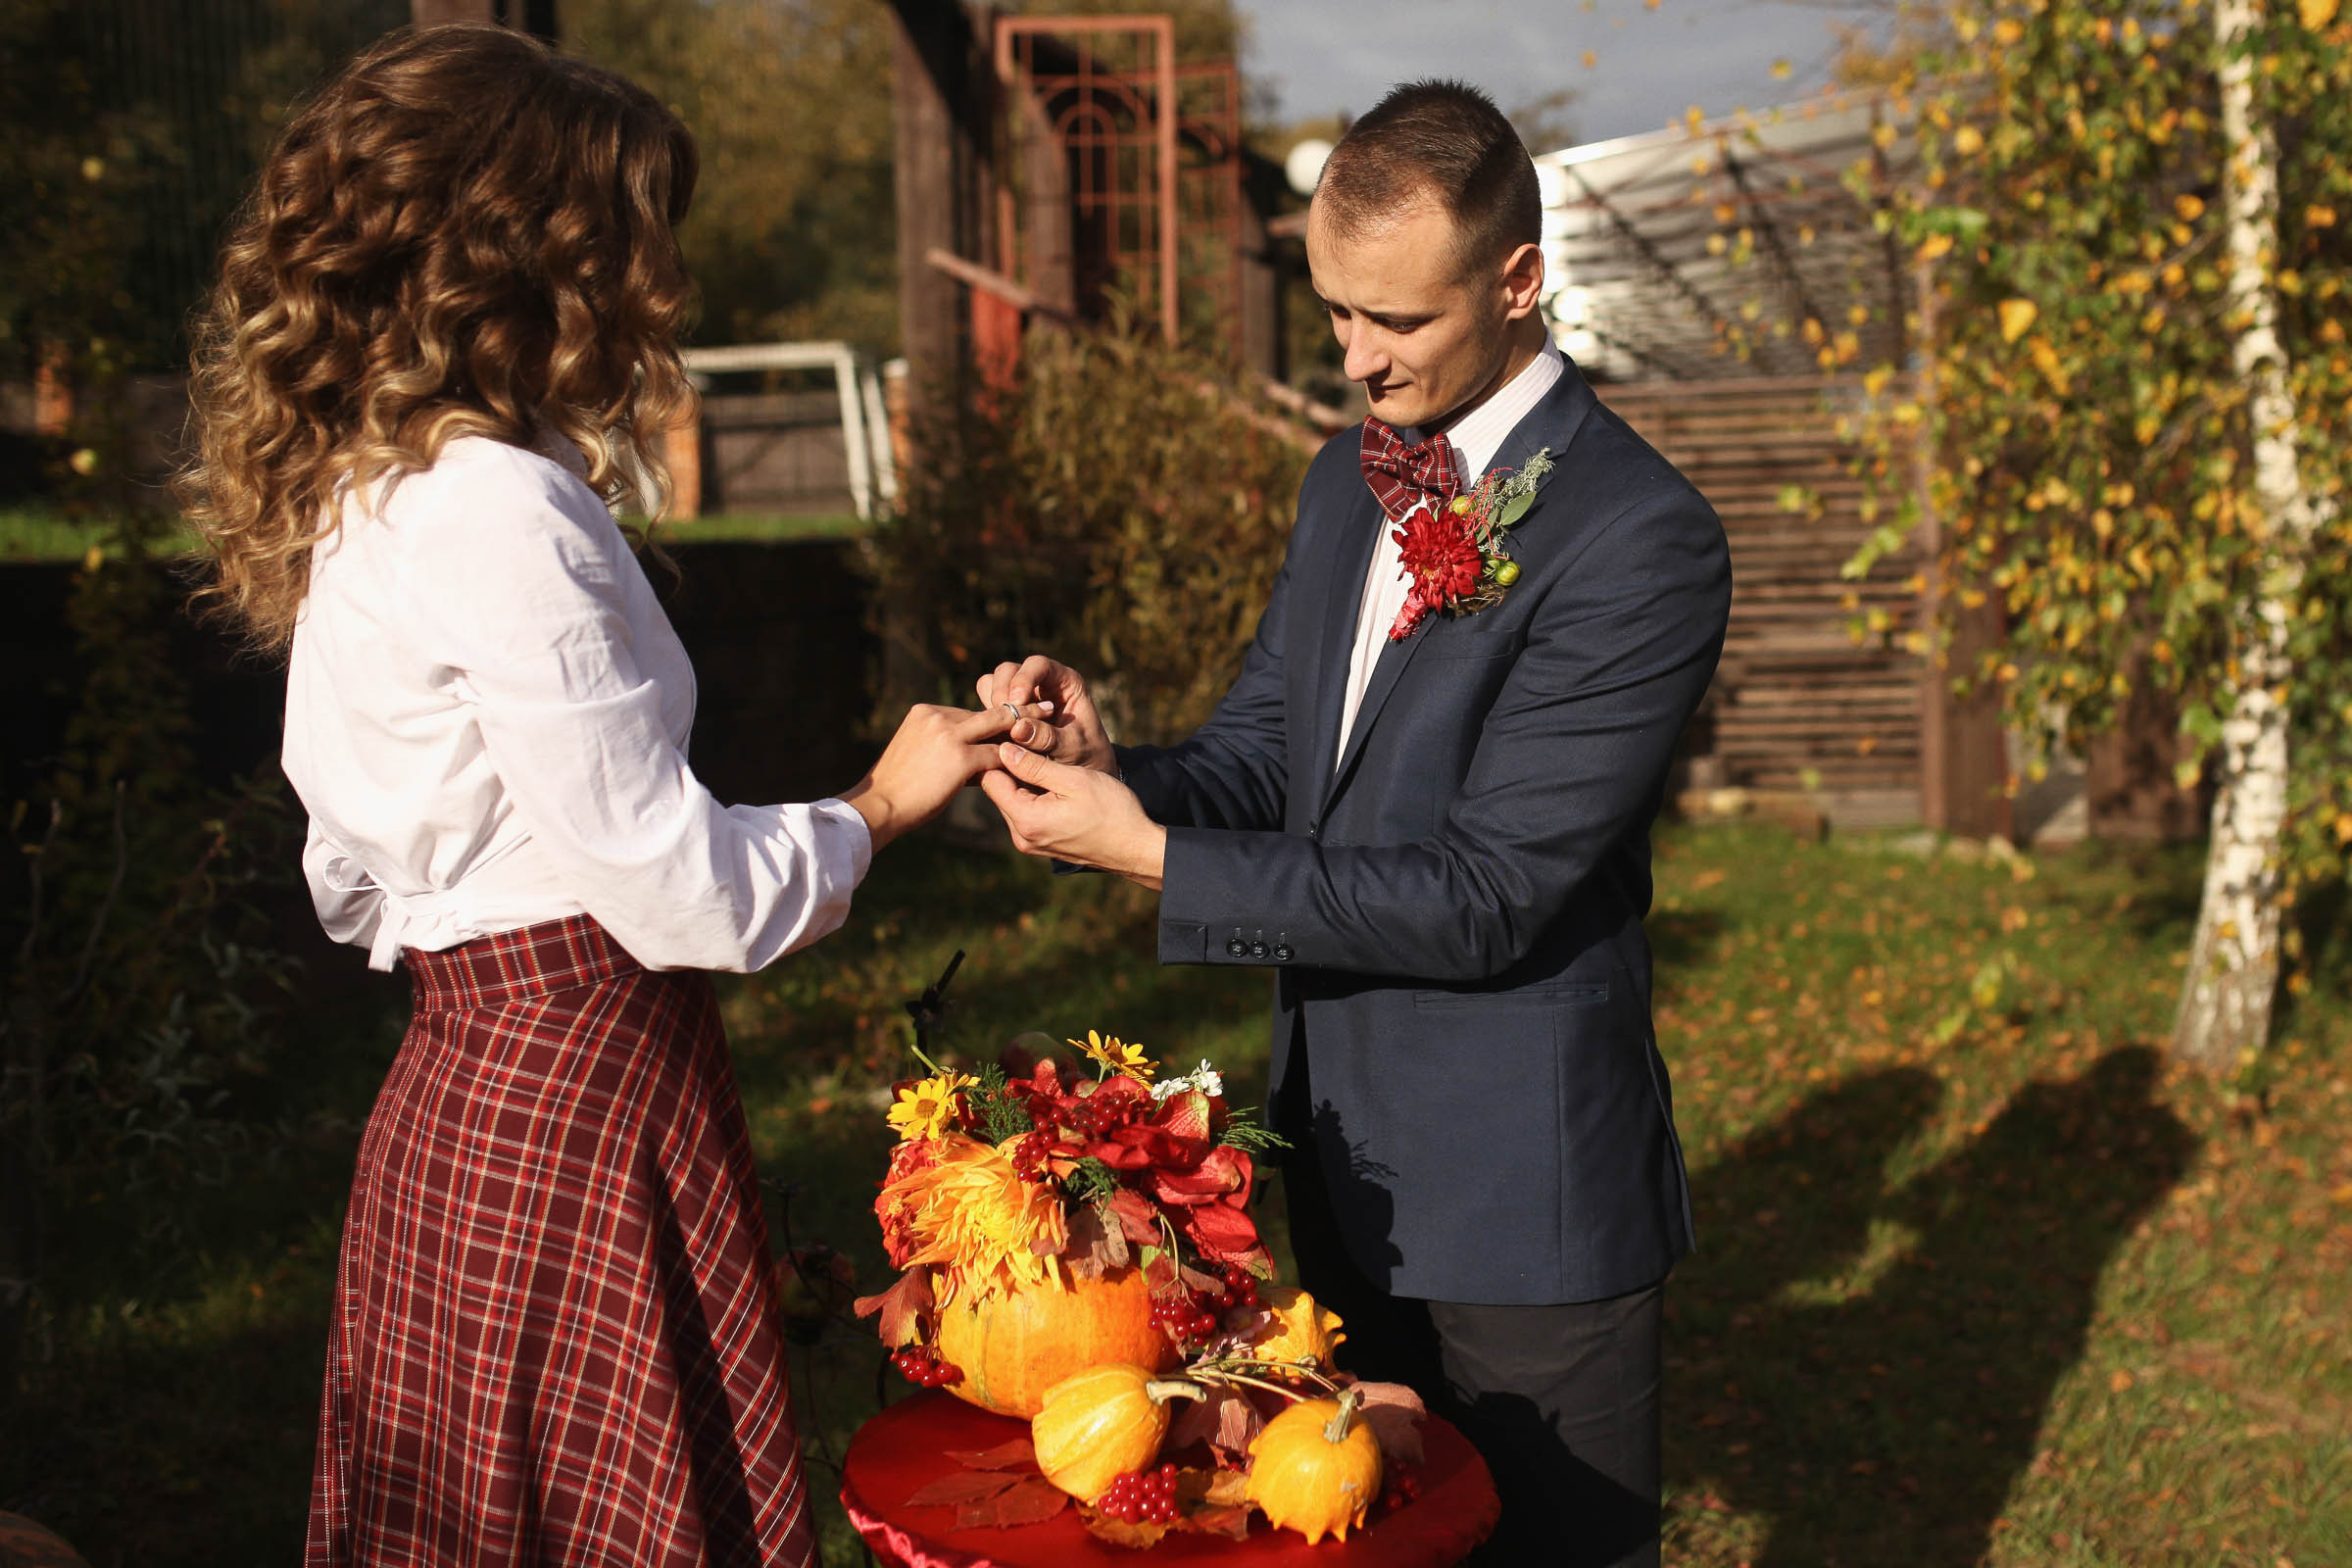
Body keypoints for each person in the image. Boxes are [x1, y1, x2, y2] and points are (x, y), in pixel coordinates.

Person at [180, 26, 1023, 1567]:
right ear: (525, 255)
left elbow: (354, 877)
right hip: (576, 1102)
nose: (660, 283)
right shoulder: (500, 506)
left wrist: (500, 962)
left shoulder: (382, 485)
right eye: (631, 238)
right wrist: (883, 802)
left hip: (464, 1085)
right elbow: (676, 893)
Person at [976, 80, 1732, 1566]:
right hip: (1336, 1161)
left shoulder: (1643, 537)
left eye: (1396, 321)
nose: (1355, 358)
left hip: (1526, 1199)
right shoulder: (1344, 482)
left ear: (1519, 282)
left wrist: (1150, 858)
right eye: (1332, 311)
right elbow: (1274, 750)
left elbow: (1488, 893)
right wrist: (1117, 764)